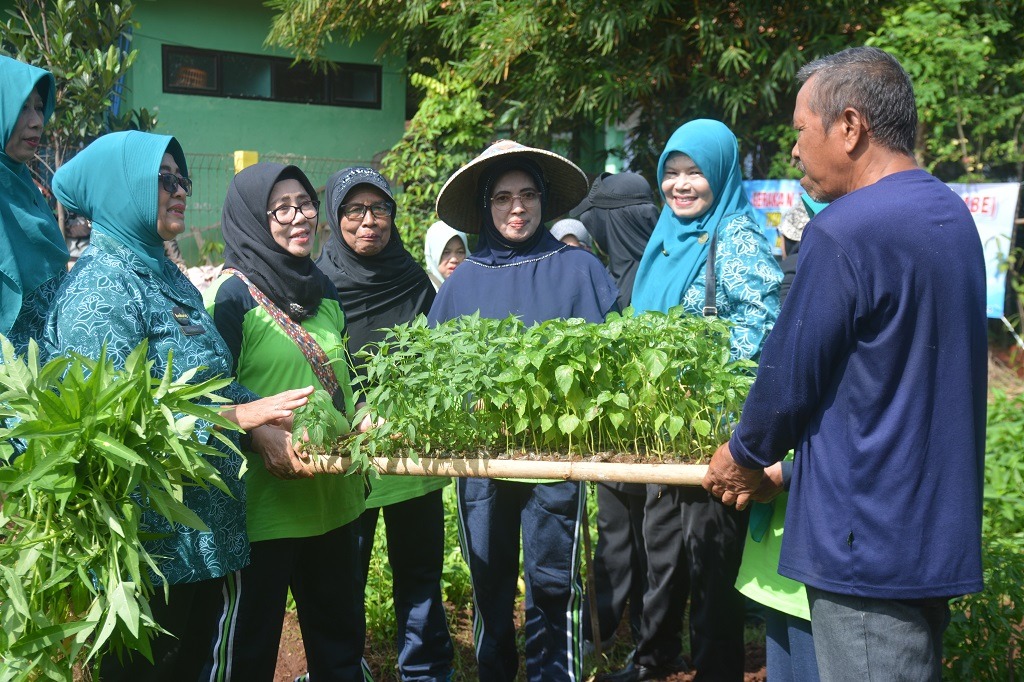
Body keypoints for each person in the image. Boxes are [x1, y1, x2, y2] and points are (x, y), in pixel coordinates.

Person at [703, 46, 987, 682]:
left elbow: (789, 374)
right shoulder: (948, 216)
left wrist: (743, 454)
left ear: (850, 127)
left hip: (865, 540)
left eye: (802, 131)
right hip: (926, 527)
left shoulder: (847, 230)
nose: (795, 152)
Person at [43, 131, 313, 680]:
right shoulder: (101, 290)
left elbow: (208, 383)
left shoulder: (166, 275)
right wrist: (240, 419)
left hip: (199, 536)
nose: (180, 190)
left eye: (182, 179)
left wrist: (262, 417)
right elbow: (113, 424)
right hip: (147, 551)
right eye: (163, 179)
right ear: (123, 190)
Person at [429, 140, 619, 682]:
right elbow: (434, 373)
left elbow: (611, 360)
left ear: (542, 201)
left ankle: (554, 673)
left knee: (554, 582)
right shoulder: (463, 282)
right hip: (483, 464)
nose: (518, 208)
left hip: (556, 461)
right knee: (489, 585)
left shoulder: (578, 270)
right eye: (504, 197)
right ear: (486, 205)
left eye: (529, 195)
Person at [606, 120, 782, 682]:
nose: (681, 186)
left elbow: (763, 328)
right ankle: (654, 660)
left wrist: (697, 373)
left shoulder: (736, 237)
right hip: (665, 435)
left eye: (695, 173)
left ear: (723, 174)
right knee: (660, 554)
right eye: (672, 173)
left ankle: (715, 671)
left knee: (710, 569)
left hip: (717, 438)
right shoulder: (665, 237)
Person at [202, 162, 368, 681]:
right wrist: (256, 433)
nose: (300, 217)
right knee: (247, 654)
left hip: (333, 504)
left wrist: (363, 417)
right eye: (282, 208)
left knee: (339, 650)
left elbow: (347, 380)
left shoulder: (324, 290)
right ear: (253, 217)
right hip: (264, 514)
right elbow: (206, 398)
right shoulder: (231, 298)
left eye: (306, 204)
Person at [316, 166, 454, 682]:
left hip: (408, 454)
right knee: (342, 576)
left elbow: (438, 359)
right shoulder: (316, 284)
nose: (368, 221)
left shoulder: (414, 282)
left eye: (380, 210)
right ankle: (344, 669)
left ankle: (425, 669)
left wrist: (398, 408)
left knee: (419, 573)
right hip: (346, 457)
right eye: (355, 210)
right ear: (335, 215)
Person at [734, 193, 826, 682]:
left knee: (802, 653)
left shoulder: (792, 286)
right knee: (791, 651)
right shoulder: (802, 285)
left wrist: (782, 469)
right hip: (791, 515)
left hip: (807, 516)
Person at [569, 171, 659, 652]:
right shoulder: (643, 268)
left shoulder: (639, 279)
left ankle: (627, 640)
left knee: (639, 540)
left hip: (642, 435)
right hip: (631, 433)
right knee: (630, 537)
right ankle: (625, 635)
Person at [0, 56, 68, 357]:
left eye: (39, 107)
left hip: (45, 382)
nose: (37, 121)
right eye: (22, 107)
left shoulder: (27, 190)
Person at [570, 171, 658, 311]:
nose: (593, 236)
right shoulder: (669, 271)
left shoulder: (657, 283)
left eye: (593, 224)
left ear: (610, 225)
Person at [423, 220, 469, 290]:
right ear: (433, 254)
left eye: (460, 252)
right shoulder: (423, 292)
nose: (454, 260)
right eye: (446, 252)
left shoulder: (474, 288)